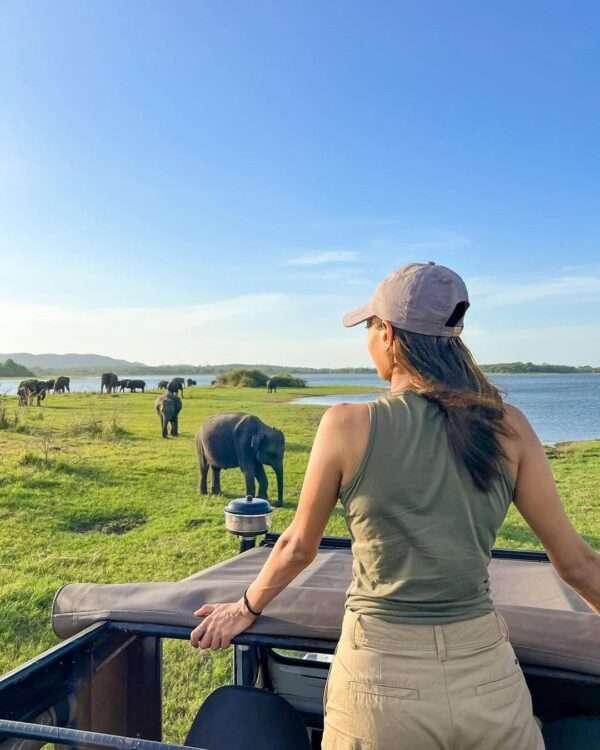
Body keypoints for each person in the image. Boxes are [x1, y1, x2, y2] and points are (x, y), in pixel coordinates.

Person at [190, 262, 600, 749]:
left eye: (368, 328)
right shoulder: (510, 426)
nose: (367, 341)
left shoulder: (346, 424)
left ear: (387, 334)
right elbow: (575, 563)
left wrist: (245, 607)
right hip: (487, 677)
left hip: (378, 682)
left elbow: (299, 546)